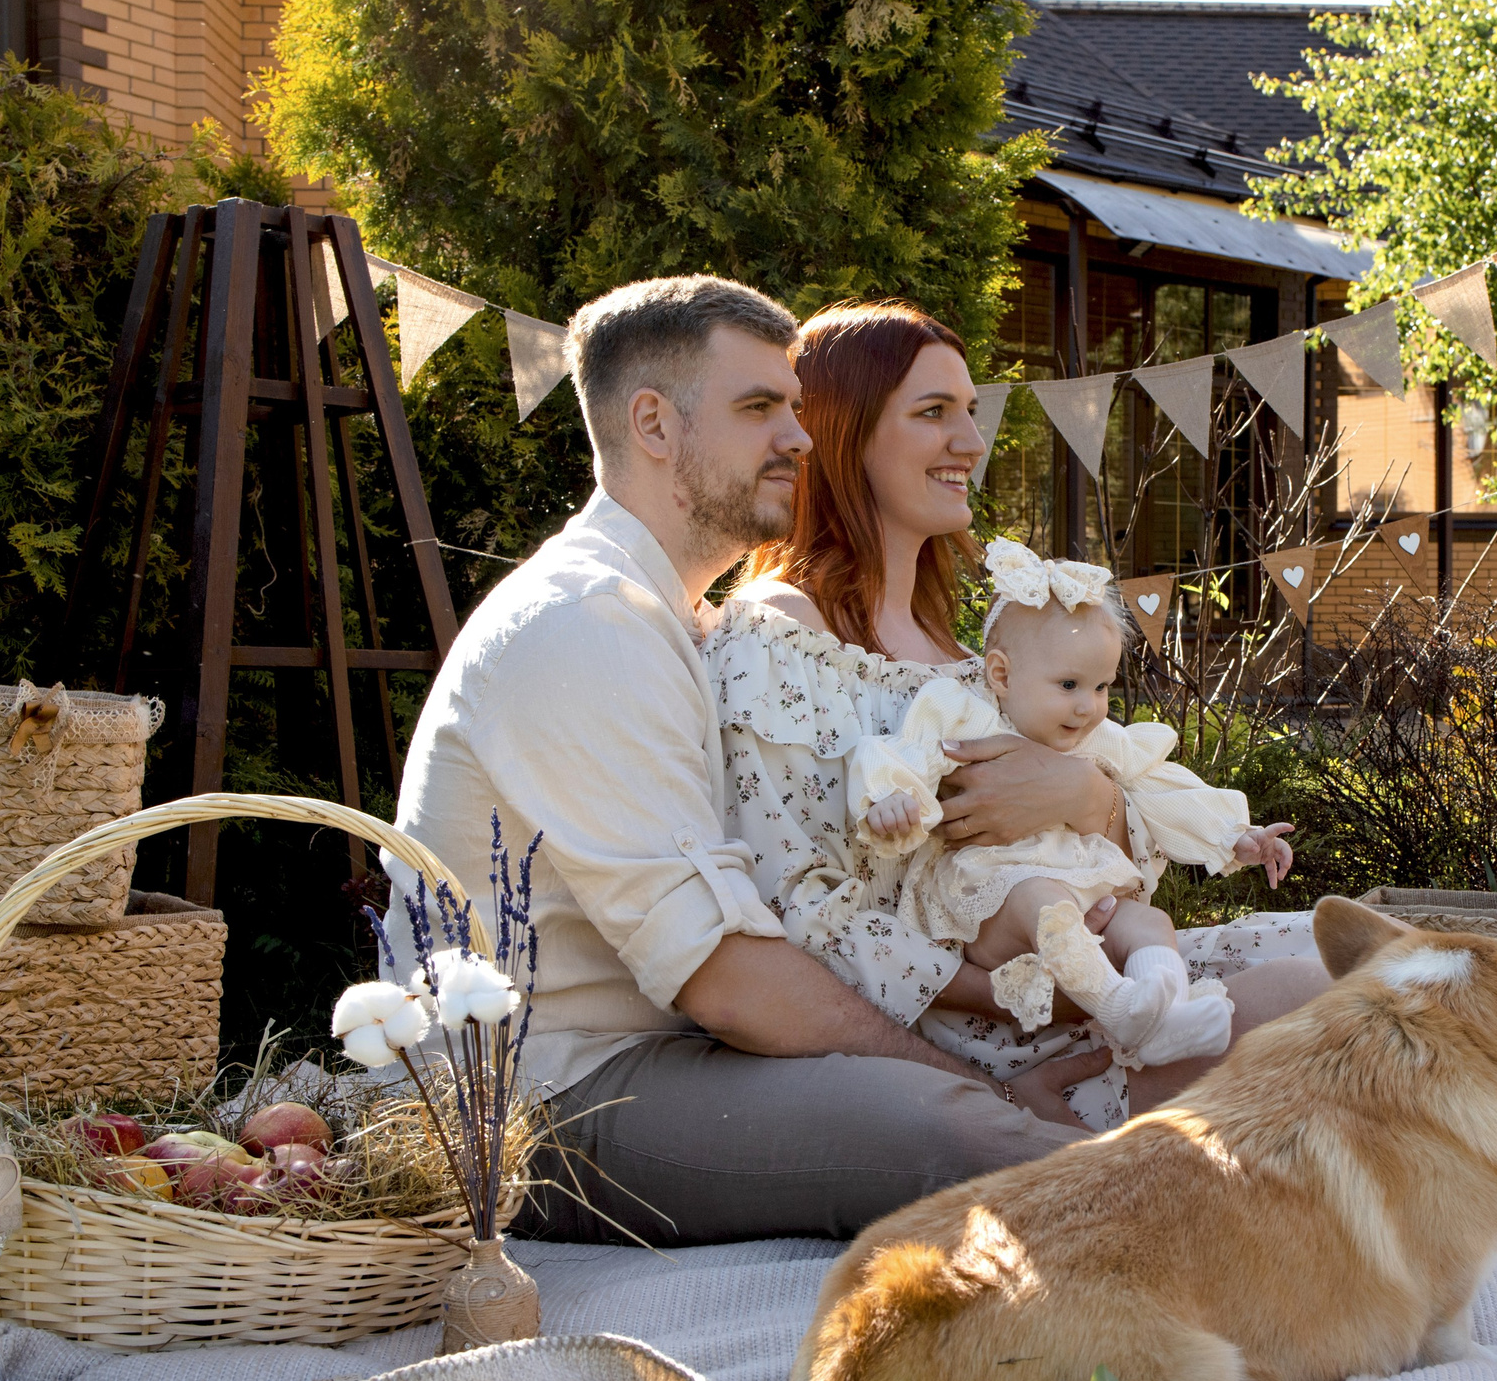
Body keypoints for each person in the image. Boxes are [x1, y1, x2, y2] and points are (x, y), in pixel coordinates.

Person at [711, 299, 1497, 1188]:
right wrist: (1005, 997)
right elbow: (806, 909)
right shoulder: (783, 636)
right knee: (1311, 1004)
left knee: (1380, 955)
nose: (969, 442)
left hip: (1115, 956)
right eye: (932, 413)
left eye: (969, 410)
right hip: (1007, 1017)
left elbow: (1092, 819)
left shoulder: (974, 643)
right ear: (846, 433)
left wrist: (1084, 798)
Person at [388, 276, 1164, 1250]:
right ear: (654, 424)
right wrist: (983, 1081)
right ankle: (1225, 1271)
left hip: (682, 1051)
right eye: (760, 408)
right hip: (547, 1096)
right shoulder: (583, 620)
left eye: (796, 410)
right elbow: (726, 979)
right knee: (946, 1130)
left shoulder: (675, 617)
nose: (799, 439)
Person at [845, 538, 1297, 1130]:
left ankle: (1164, 1014)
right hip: (989, 901)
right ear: (1002, 674)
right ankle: (1121, 1009)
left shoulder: (1092, 737)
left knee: (1147, 923)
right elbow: (904, 754)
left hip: (1081, 893)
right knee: (1044, 900)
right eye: (1068, 686)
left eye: (1102, 687)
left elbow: (1156, 783)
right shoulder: (962, 711)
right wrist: (891, 800)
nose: (1089, 707)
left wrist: (1232, 833)